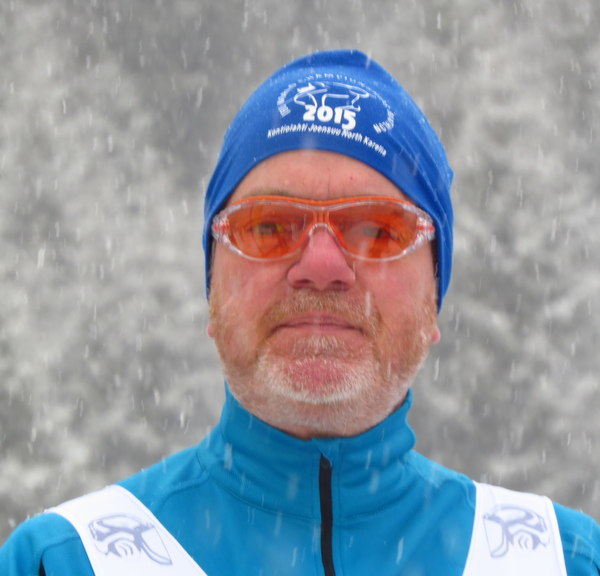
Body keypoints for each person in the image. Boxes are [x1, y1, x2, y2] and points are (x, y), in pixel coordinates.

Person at [1, 49, 598, 576]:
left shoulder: (560, 560)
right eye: (268, 227)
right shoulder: (68, 561)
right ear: (213, 290)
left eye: (377, 231)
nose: (321, 265)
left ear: (433, 294)